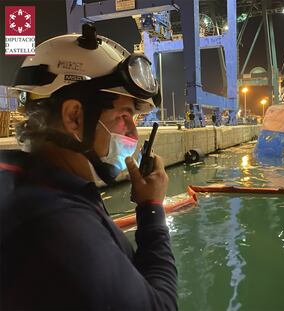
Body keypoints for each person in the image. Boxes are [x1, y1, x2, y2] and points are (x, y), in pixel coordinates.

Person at [0, 24, 177, 310]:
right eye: (124, 115)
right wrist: (152, 209)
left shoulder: (29, 184)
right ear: (74, 117)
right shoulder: (58, 223)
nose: (133, 133)